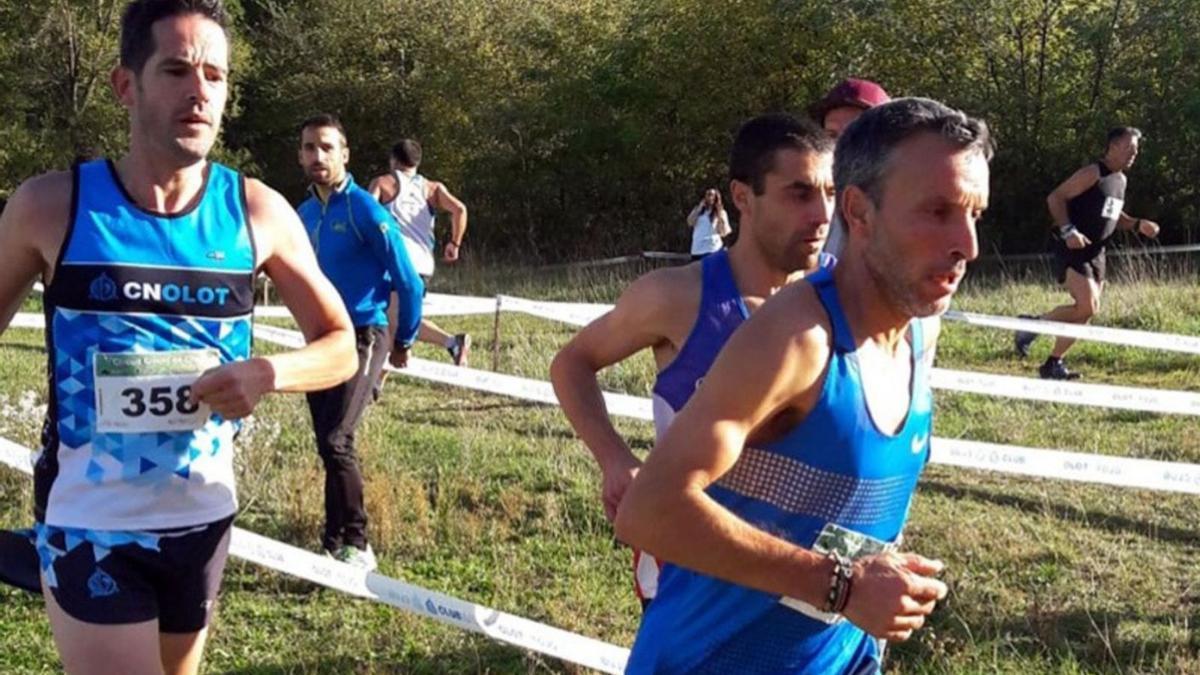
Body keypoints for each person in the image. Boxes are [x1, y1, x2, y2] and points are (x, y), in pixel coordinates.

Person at [0, 2, 358, 674]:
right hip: (91, 521)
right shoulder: (52, 205)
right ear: (125, 85)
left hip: (203, 517)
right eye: (176, 70)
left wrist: (267, 373)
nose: (201, 92)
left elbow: (340, 343)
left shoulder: (255, 210)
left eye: (216, 76)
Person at [615, 97, 993, 673]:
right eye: (936, 212)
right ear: (860, 213)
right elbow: (649, 510)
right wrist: (842, 587)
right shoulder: (797, 338)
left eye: (975, 215)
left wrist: (866, 590)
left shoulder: (917, 332)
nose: (967, 246)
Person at [551, 113, 836, 609]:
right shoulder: (677, 296)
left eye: (830, 193)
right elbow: (572, 362)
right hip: (694, 576)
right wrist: (615, 460)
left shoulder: (843, 296)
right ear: (743, 197)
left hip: (805, 577)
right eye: (800, 193)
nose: (821, 214)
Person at [296, 114, 424, 569]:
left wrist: (403, 339)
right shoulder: (303, 215)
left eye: (327, 147)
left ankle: (358, 541)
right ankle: (333, 540)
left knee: (338, 439)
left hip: (365, 335)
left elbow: (409, 282)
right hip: (320, 339)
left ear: (344, 154)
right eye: (310, 148)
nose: (318, 156)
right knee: (326, 443)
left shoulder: (365, 210)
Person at [1014, 127, 1160, 379]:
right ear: (1113, 146)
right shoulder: (1093, 173)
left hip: (1097, 252)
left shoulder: (1120, 180)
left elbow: (1113, 216)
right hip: (1071, 247)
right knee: (1088, 305)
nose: (1134, 154)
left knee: (1086, 312)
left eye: (1136, 150)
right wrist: (1068, 230)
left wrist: (1137, 224)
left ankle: (1053, 363)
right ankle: (1031, 325)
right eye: (1129, 149)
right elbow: (1055, 198)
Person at [368, 140, 471, 366]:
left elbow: (366, 215)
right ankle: (453, 343)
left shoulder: (383, 183)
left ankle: (451, 342)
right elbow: (460, 209)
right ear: (417, 161)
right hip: (423, 264)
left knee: (394, 322)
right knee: (400, 318)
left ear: (393, 160)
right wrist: (454, 243)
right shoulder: (433, 188)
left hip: (397, 262)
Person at [810, 77, 892, 258]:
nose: (840, 146)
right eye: (831, 135)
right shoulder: (811, 205)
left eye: (853, 134)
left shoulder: (903, 211)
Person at [686, 188, 731, 260]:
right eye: (708, 195)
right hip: (697, 249)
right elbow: (690, 222)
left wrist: (720, 218)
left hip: (712, 248)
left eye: (712, 195)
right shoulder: (698, 210)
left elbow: (724, 232)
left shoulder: (721, 212)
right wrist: (699, 208)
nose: (709, 197)